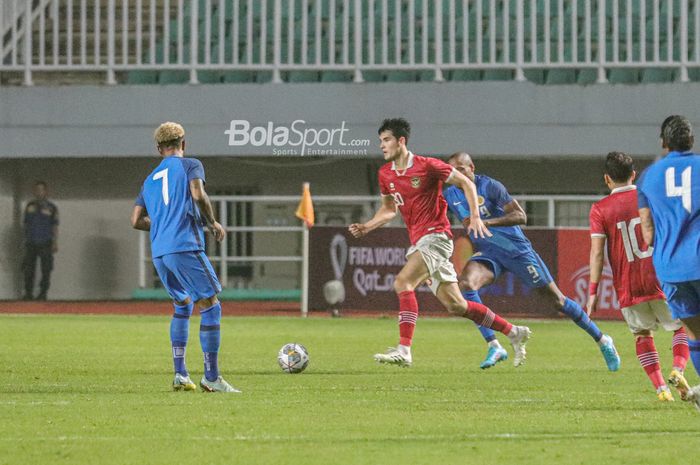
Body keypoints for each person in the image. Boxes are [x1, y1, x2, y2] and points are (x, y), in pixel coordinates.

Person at [348, 118, 531, 367]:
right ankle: (513, 332)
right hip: (419, 240)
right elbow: (389, 210)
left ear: (401, 141)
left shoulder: (428, 166)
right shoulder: (385, 174)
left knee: (403, 282)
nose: (382, 145)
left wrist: (475, 216)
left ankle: (404, 350)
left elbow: (466, 182)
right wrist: (368, 226)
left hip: (436, 237)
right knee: (457, 305)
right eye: (380, 141)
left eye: (387, 140)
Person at [445, 152, 621, 371]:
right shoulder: (450, 193)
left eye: (460, 170)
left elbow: (520, 216)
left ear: (471, 167)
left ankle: (603, 340)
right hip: (489, 254)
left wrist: (486, 222)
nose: (455, 174)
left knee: (558, 301)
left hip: (518, 252)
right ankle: (494, 344)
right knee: (466, 285)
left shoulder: (490, 186)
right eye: (452, 171)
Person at [131, 122, 239, 393]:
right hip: (184, 246)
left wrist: (161, 225)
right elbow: (197, 193)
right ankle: (211, 378)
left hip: (159, 252)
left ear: (158, 149)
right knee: (211, 305)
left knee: (182, 304)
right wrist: (212, 222)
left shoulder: (149, 179)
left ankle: (180, 374)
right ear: (184, 143)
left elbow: (135, 220)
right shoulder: (191, 164)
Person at [587, 151, 689, 401]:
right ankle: (678, 368)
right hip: (660, 277)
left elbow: (597, 253)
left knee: (642, 334)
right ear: (634, 175)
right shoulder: (650, 198)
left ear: (607, 179)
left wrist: (592, 293)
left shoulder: (600, 209)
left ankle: (661, 389)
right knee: (682, 326)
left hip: (628, 285)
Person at [638, 115, 700, 410]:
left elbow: (647, 233)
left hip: (670, 268)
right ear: (692, 141)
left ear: (664, 143)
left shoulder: (648, 177)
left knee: (694, 332)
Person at [23, 181, 59, 301]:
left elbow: (55, 226)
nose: (39, 192)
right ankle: (28, 293)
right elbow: (26, 224)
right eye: (37, 190)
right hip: (31, 242)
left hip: (45, 242)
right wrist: (25, 240)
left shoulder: (51, 207)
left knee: (46, 269)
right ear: (34, 191)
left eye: (41, 190)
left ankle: (43, 293)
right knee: (28, 269)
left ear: (46, 191)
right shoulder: (30, 206)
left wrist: (55, 242)